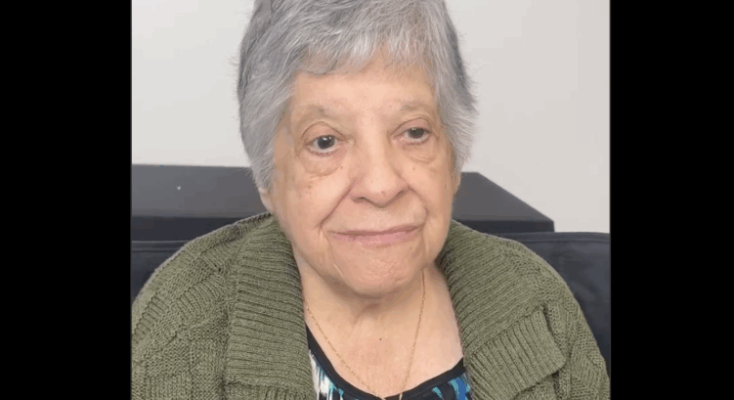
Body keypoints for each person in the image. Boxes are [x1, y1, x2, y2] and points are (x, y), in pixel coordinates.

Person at [131, 1, 610, 399]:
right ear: (267, 178)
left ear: (453, 156)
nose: (381, 185)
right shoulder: (180, 330)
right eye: (325, 141)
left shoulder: (536, 301)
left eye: (414, 132)